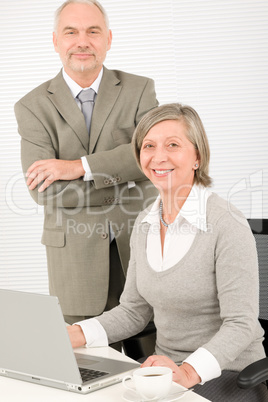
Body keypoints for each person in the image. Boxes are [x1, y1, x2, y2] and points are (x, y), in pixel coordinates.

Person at [67, 103, 267, 401]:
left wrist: (188, 371)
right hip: (164, 372)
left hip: (230, 375)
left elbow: (241, 323)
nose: (159, 157)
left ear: (197, 157)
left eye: (173, 145)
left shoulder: (226, 222)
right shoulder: (145, 224)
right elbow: (134, 310)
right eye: (148, 146)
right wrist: (76, 334)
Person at [14, 0, 158, 325]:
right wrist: (123, 175)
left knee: (154, 367)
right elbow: (43, 191)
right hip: (74, 266)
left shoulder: (139, 90)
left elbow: (152, 156)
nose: (82, 41)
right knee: (85, 368)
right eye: (71, 32)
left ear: (108, 38)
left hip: (139, 250)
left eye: (93, 31)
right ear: (56, 41)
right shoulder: (32, 107)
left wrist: (79, 167)